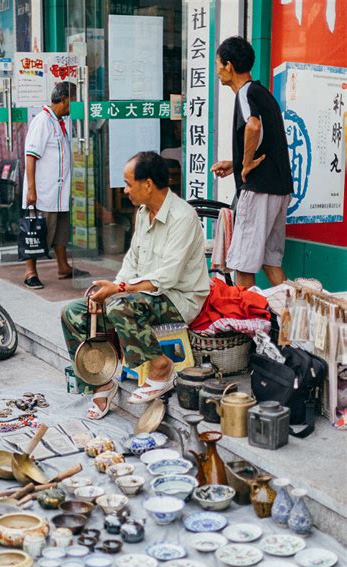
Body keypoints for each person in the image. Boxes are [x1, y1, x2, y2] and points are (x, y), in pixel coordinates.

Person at [61, 151, 209, 420]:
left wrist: (118, 291)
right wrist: (113, 286)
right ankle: (102, 380)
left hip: (179, 299)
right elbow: (132, 261)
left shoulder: (183, 217)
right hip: (141, 296)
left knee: (119, 304)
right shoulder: (143, 213)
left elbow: (168, 278)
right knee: (73, 311)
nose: (125, 190)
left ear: (148, 184)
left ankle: (161, 367)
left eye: (129, 183)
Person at [210, 36, 293, 288]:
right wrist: (236, 163)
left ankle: (245, 325)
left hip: (259, 190)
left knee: (243, 263)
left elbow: (253, 126)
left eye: (218, 64)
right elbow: (266, 144)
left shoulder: (245, 93)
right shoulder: (263, 94)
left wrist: (245, 165)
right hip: (279, 189)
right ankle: (294, 318)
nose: (217, 71)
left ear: (229, 65)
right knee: (270, 261)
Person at [22, 81, 89, 289]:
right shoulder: (42, 121)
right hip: (43, 191)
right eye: (74, 100)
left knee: (60, 232)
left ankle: (63, 266)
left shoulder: (60, 122)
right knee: (37, 231)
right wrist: (32, 190)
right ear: (65, 99)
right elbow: (30, 156)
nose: (76, 104)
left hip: (59, 191)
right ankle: (29, 272)